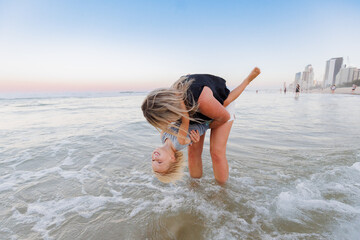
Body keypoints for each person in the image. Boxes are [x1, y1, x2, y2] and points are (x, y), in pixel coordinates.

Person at [142, 67, 261, 184]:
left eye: (153, 160)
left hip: (218, 105)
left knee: (216, 152)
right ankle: (195, 186)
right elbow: (178, 123)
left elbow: (223, 117)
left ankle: (222, 191)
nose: (155, 158)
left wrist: (205, 126)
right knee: (193, 153)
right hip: (195, 115)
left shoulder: (201, 101)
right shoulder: (174, 110)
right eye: (159, 162)